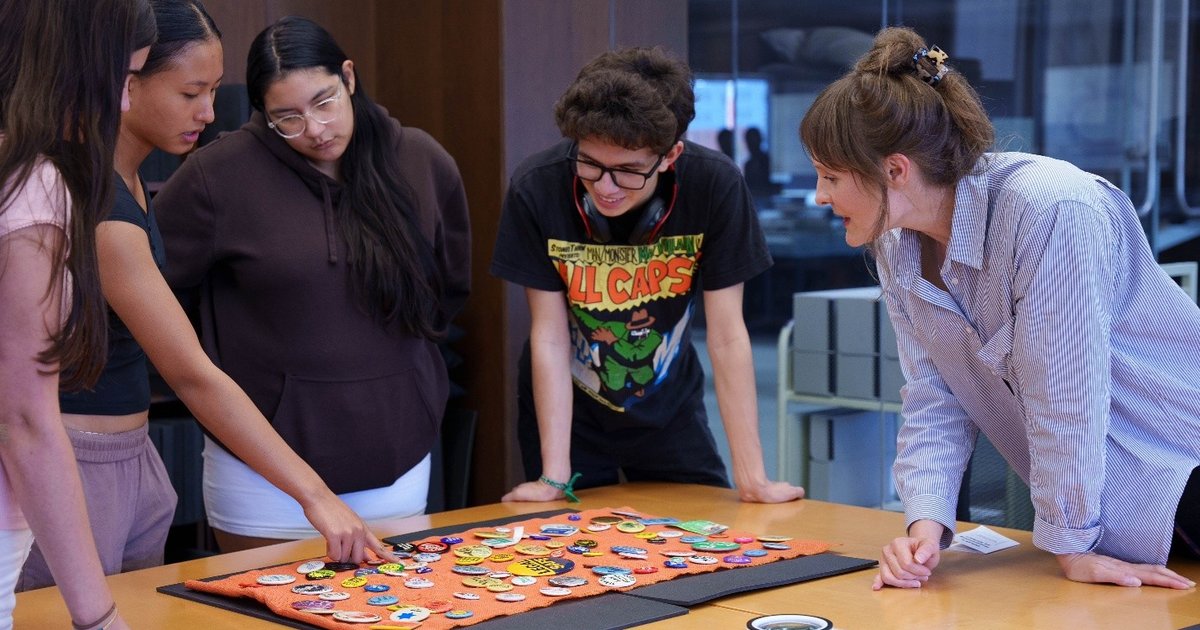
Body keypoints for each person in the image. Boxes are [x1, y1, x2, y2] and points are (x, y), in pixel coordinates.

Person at [799, 26, 1200, 590]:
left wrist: (1070, 543)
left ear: (894, 170)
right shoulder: (895, 244)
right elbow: (934, 396)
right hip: (1116, 520)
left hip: (1177, 463)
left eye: (830, 176)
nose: (819, 196)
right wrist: (925, 523)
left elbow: (1064, 394)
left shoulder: (1051, 209)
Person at [19, 2, 392, 591]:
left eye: (214, 90)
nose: (209, 112)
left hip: (129, 453)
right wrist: (314, 496)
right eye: (191, 92)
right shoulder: (96, 204)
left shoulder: (130, 181)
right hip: (78, 459)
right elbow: (193, 374)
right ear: (127, 81)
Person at [154, 15, 470, 552]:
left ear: (349, 77)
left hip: (397, 460)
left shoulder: (420, 160)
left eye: (324, 102)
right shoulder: (217, 177)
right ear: (264, 115)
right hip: (264, 477)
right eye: (288, 118)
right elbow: (152, 296)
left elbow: (450, 291)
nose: (316, 129)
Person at [491, 47, 802, 504]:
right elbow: (550, 337)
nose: (605, 187)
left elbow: (727, 335)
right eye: (590, 164)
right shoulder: (537, 185)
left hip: (670, 406)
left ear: (670, 154)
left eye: (629, 171)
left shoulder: (715, 185)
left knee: (705, 540)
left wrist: (752, 477)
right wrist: (554, 476)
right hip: (569, 410)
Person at [0, 1, 155, 627]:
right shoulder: (29, 184)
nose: (121, 104)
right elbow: (24, 422)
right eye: (122, 76)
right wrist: (97, 618)